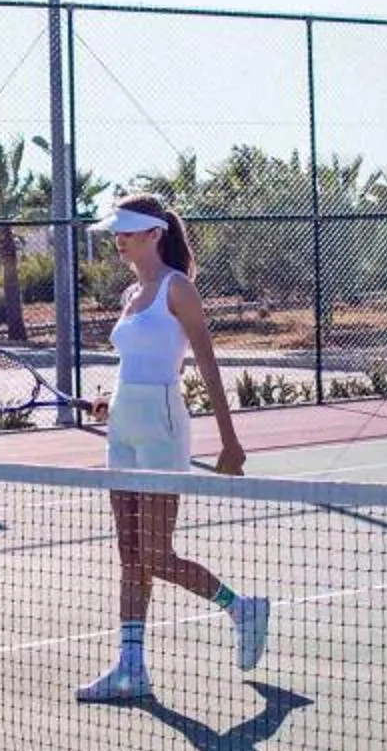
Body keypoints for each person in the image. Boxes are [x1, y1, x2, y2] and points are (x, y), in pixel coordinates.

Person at [76, 195, 271, 703]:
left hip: (163, 427)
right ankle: (131, 667)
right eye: (116, 232)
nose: (118, 239)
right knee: (129, 552)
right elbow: (135, 363)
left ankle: (240, 607)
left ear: (154, 233)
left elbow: (205, 363)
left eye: (127, 231)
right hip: (123, 426)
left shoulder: (177, 287)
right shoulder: (130, 293)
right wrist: (109, 401)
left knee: (155, 553)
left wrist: (230, 440)